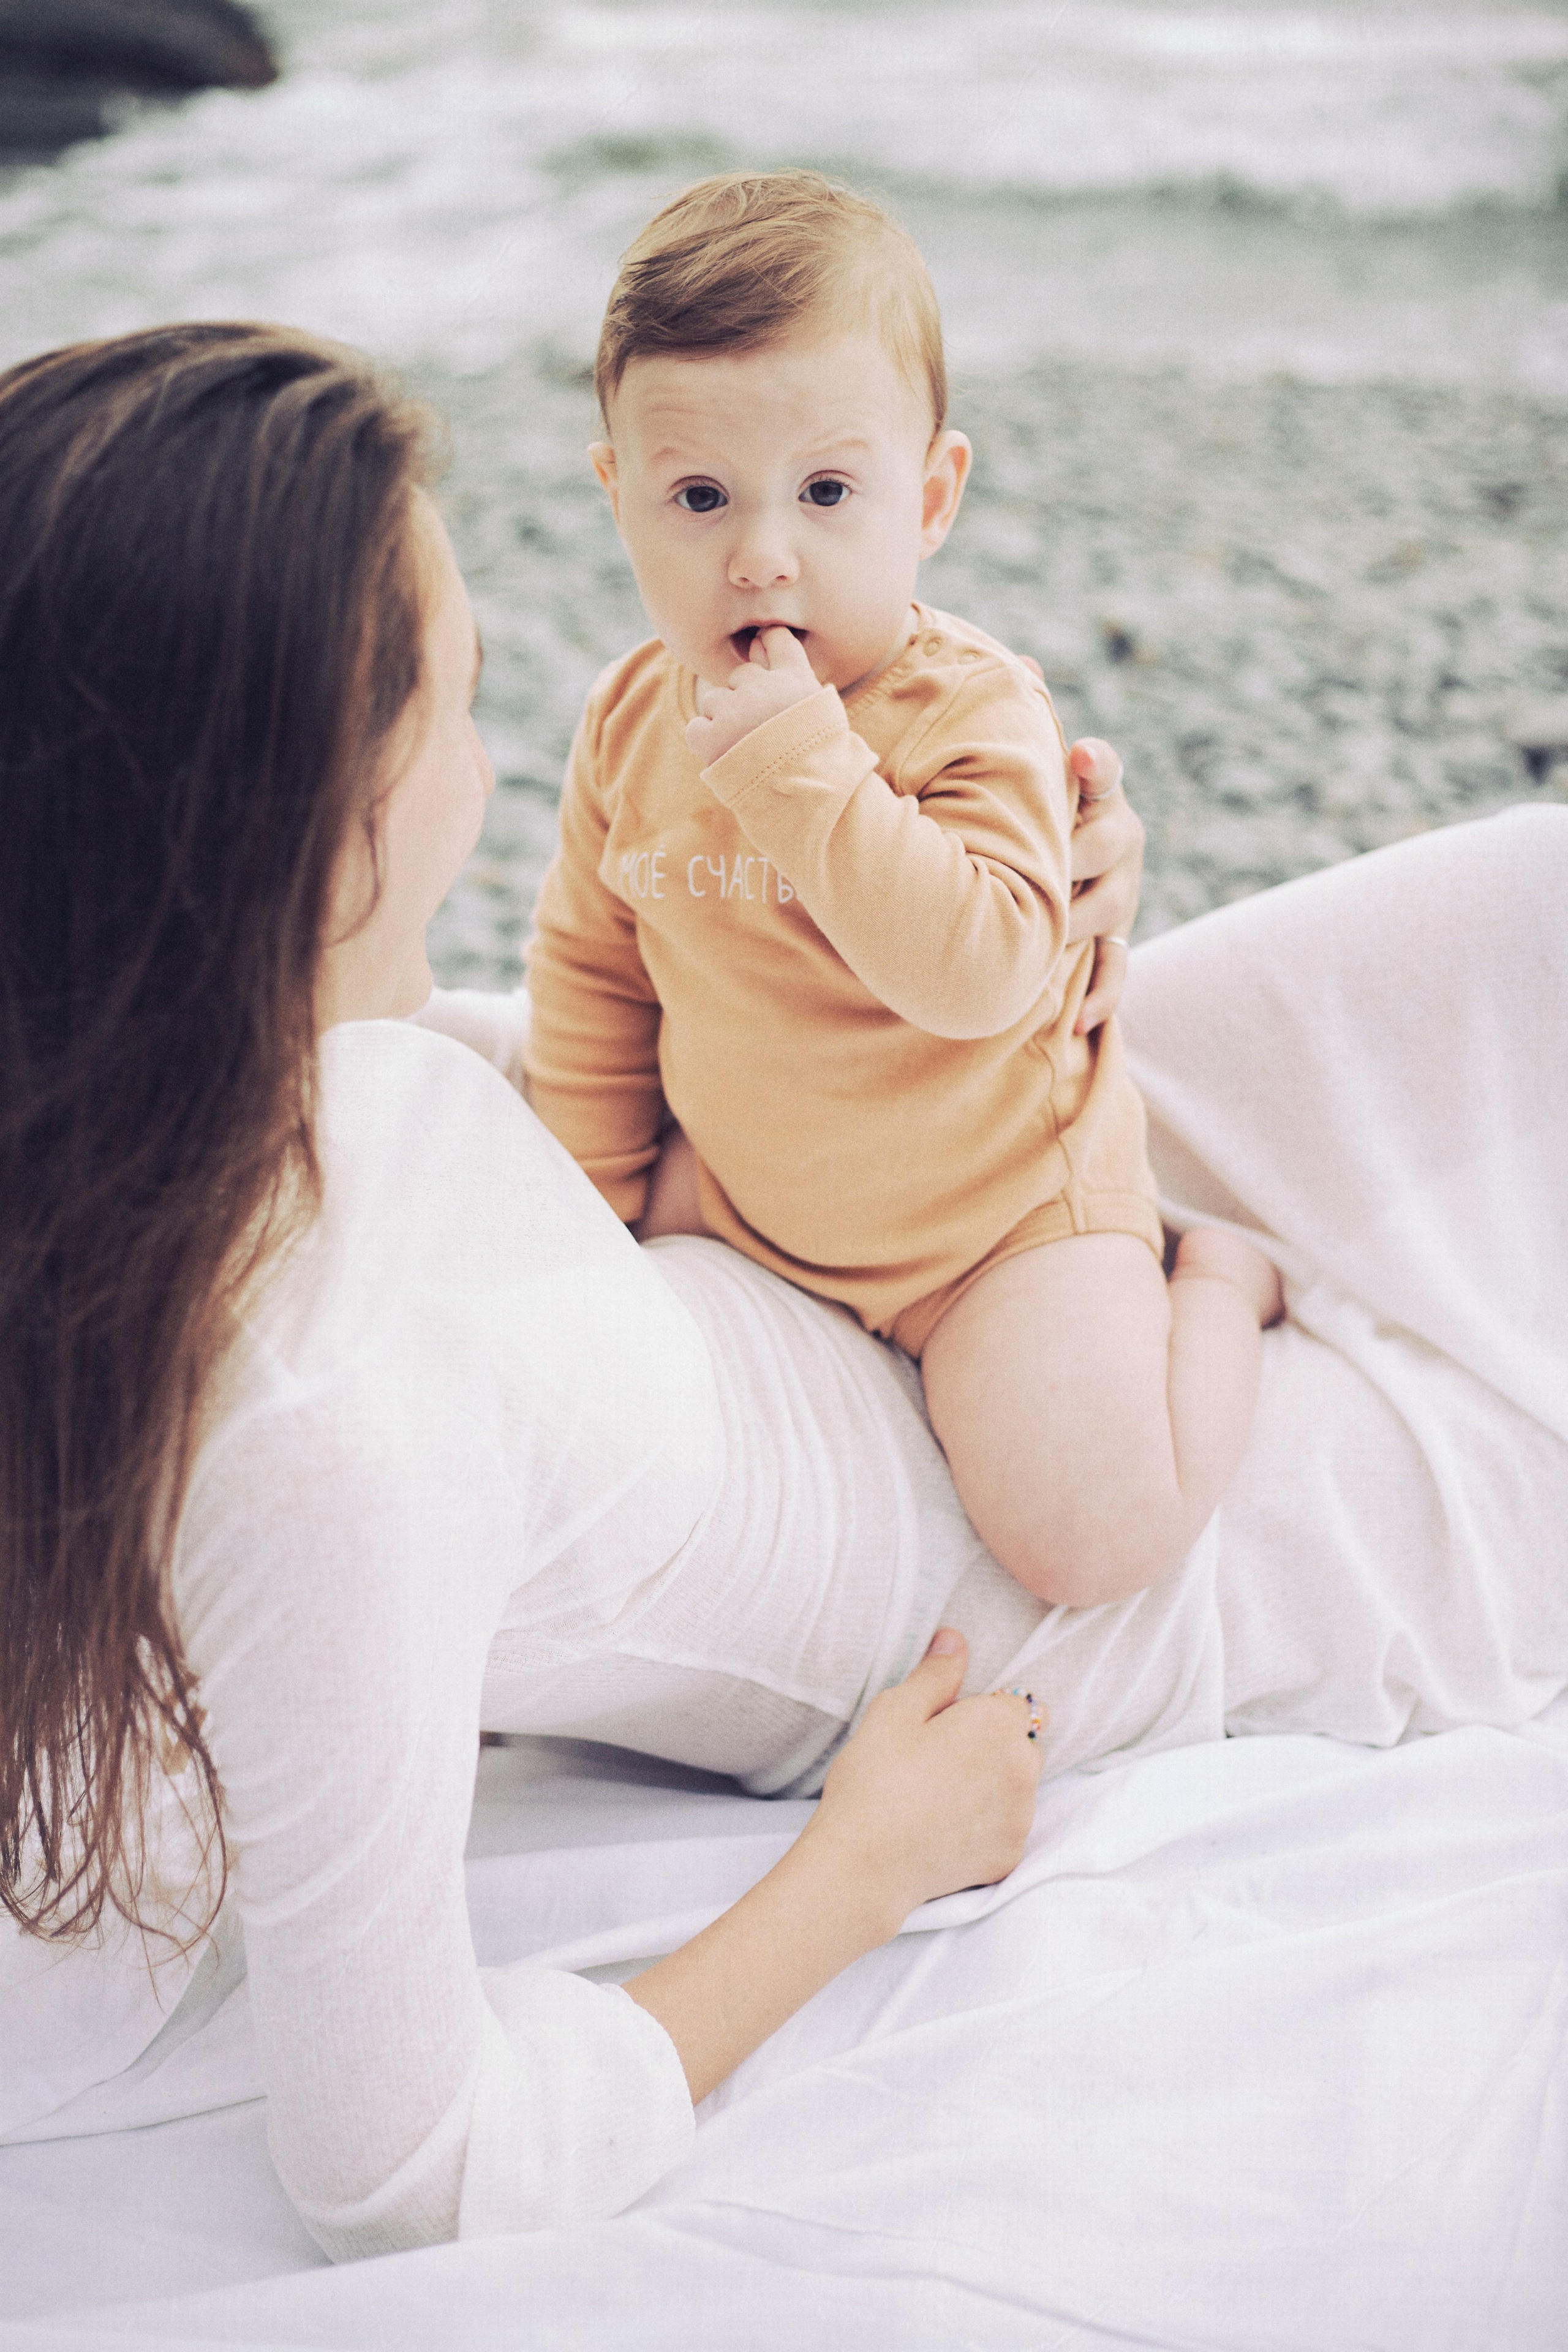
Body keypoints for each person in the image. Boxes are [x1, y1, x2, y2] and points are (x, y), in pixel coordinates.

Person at [3, 320, 1565, 2274]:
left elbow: (495, 1095)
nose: (495, 775)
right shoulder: (322, 1462)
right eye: (464, 708)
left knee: (1532, 900)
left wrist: (1019, 897)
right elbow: (399, 2176)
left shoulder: (141, 1099)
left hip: (917, 1214)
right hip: (1081, 1559)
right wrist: (868, 1865)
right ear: (311, 833)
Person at [523, 170, 1283, 1613]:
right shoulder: (632, 716)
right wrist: (592, 1198)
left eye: (825, 493)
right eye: (698, 496)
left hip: (984, 1224)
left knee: (1093, 1544)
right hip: (745, 1194)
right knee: (562, 1411)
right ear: (616, 494)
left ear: (926, 497)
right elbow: (593, 965)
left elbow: (982, 971)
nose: (762, 553)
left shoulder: (966, 710)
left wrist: (809, 772)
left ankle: (1215, 1294)